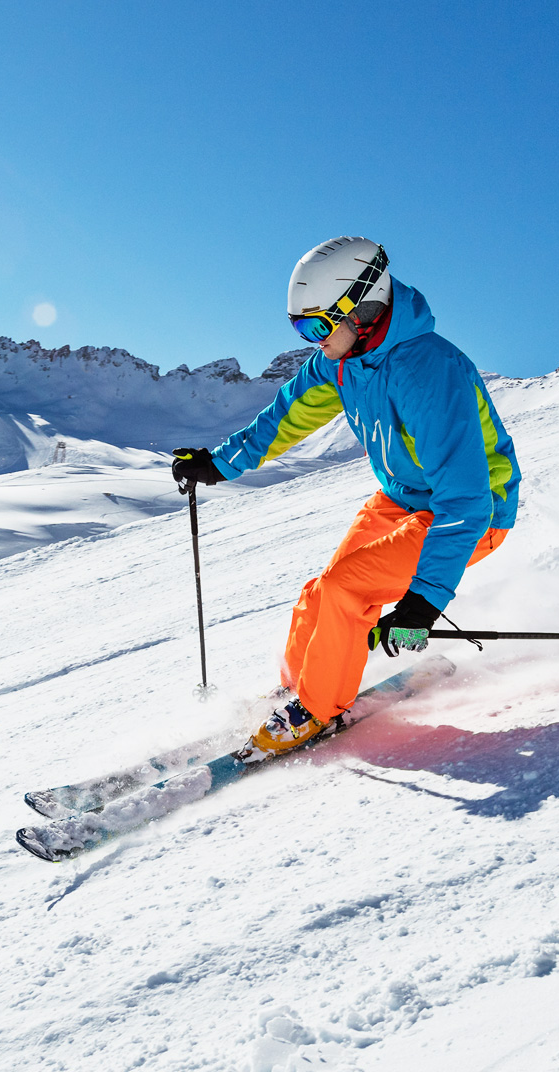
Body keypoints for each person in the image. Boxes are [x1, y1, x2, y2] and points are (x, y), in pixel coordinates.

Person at [171, 237, 520, 755]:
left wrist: (423, 601)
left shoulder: (428, 370)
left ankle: (316, 709)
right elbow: (286, 415)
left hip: (472, 513)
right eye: (299, 328)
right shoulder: (342, 360)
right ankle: (297, 689)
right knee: (320, 593)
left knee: (346, 589)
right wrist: (220, 464)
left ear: (361, 308)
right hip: (402, 499)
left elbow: (466, 499)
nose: (312, 340)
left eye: (316, 326)